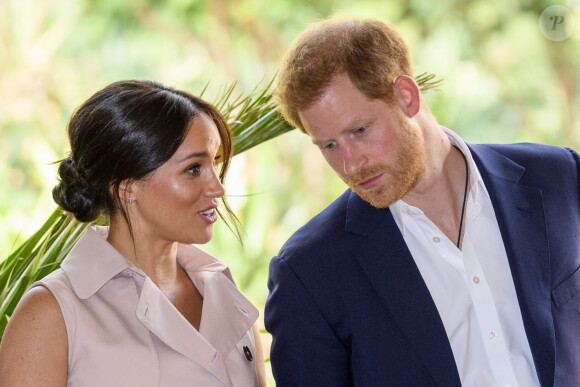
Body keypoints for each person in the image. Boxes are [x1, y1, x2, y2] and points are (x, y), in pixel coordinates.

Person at [264, 15, 580, 387]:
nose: (349, 164)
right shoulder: (309, 272)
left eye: (360, 131)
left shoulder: (559, 177)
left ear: (407, 96)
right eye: (329, 145)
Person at [0, 80, 267, 387]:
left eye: (215, 163)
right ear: (127, 186)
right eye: (193, 168)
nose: (218, 188)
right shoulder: (52, 313)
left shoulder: (227, 295)